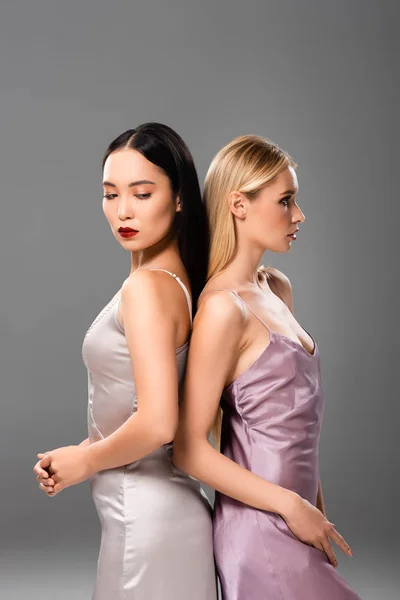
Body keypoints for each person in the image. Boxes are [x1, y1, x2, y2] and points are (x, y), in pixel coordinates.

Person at [33, 123, 218, 600]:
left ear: (179, 198)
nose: (123, 211)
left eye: (141, 193)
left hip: (147, 520)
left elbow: (158, 423)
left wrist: (86, 461)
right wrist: (76, 453)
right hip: (157, 514)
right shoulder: (175, 282)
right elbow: (138, 410)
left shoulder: (148, 288)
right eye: (110, 194)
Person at [173, 135, 361, 599]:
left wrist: (313, 512)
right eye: (286, 201)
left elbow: (296, 428)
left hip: (299, 524)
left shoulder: (276, 289)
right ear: (239, 204)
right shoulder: (221, 309)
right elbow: (189, 450)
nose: (299, 216)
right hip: (259, 531)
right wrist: (291, 506)